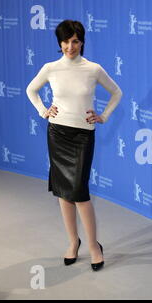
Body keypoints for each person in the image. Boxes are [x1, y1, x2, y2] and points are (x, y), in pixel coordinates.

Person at [26, 20, 123, 271]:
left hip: (82, 135)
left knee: (79, 192)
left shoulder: (93, 69)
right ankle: (73, 242)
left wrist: (103, 116)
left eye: (76, 41)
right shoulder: (50, 68)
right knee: (63, 192)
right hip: (57, 132)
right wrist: (43, 111)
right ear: (60, 43)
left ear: (82, 42)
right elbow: (31, 90)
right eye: (67, 41)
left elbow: (117, 93)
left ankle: (93, 246)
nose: (71, 46)